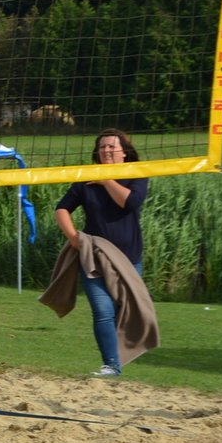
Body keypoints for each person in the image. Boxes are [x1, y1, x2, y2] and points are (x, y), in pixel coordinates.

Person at [53, 129, 150, 378]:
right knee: (102, 310)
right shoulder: (86, 179)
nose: (106, 150)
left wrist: (107, 180)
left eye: (111, 146)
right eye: (102, 147)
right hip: (93, 257)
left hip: (128, 258)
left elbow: (130, 202)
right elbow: (61, 209)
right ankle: (111, 365)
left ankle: (119, 357)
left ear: (124, 152)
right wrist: (73, 238)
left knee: (124, 312)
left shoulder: (137, 174)